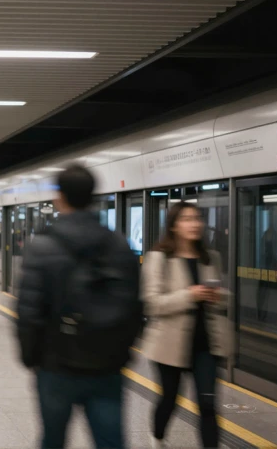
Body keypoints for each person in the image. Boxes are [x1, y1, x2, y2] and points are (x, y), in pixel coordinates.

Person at [16, 165, 141, 449]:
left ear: (59, 197)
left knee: (53, 440)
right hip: (106, 366)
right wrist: (122, 354)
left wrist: (31, 358)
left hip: (55, 365)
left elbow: (28, 312)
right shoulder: (120, 245)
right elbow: (135, 308)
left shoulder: (43, 247)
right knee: (110, 442)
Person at [141, 201, 231, 449]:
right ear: (174, 225)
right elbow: (152, 303)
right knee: (170, 398)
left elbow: (223, 296)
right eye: (187, 219)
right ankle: (157, 438)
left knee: (208, 404)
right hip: (169, 344)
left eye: (197, 218)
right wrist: (190, 294)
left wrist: (217, 296)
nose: (195, 224)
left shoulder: (210, 257)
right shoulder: (159, 257)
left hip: (206, 343)